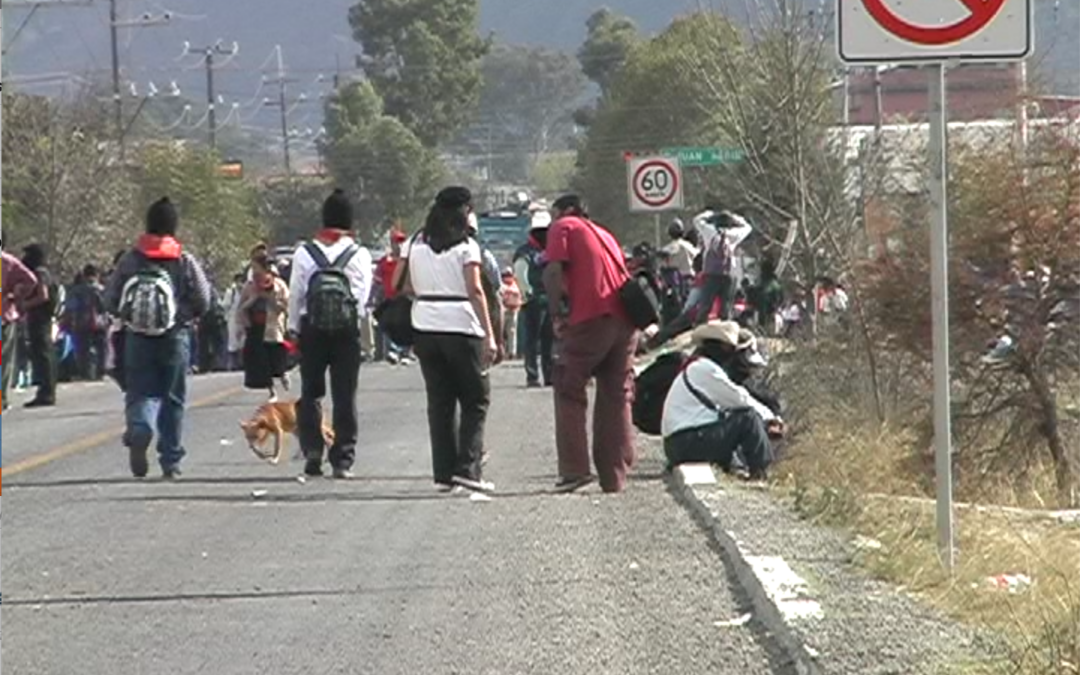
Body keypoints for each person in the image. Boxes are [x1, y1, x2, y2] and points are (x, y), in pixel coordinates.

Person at [393, 186, 498, 493]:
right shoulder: (467, 247)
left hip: (424, 324)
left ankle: (443, 474)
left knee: (439, 402)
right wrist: (490, 334)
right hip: (462, 325)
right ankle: (468, 468)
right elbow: (476, 290)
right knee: (475, 399)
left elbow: (404, 285)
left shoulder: (415, 243)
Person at [105, 197, 212, 479]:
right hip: (175, 336)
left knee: (140, 390)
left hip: (137, 338)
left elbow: (110, 299)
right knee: (173, 397)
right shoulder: (183, 259)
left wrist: (131, 316)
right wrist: (181, 315)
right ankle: (171, 461)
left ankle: (140, 427)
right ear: (173, 226)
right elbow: (204, 299)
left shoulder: (130, 259)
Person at [543, 194, 638, 494]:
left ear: (562, 211)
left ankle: (574, 469)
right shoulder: (604, 233)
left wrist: (556, 311)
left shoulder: (563, 227)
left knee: (568, 384)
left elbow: (554, 270)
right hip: (625, 320)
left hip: (592, 315)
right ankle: (614, 476)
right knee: (616, 393)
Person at [287, 189, 373, 479]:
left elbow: (296, 294)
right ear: (349, 222)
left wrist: (293, 329)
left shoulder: (303, 252)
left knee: (311, 392)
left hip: (312, 328)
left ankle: (313, 451)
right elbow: (362, 298)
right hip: (346, 331)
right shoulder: (359, 254)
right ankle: (343, 459)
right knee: (345, 395)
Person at [661, 321, 784, 480]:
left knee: (732, 420)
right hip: (685, 443)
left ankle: (739, 467)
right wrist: (771, 418)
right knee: (748, 419)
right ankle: (761, 473)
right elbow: (739, 398)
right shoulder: (705, 369)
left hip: (678, 444)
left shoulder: (697, 367)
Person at [238, 253, 291, 401]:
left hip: (273, 327)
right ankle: (272, 391)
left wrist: (270, 298)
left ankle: (283, 373)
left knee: (277, 357)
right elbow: (241, 308)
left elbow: (285, 306)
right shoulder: (249, 286)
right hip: (256, 327)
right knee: (262, 361)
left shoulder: (279, 284)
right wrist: (253, 299)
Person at [513, 210, 554, 387]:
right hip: (533, 301)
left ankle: (549, 375)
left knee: (549, 340)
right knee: (532, 340)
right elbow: (520, 275)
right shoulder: (525, 252)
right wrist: (528, 293)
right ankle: (532, 375)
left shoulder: (552, 250)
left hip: (551, 299)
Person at [693, 208, 753, 324]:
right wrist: (736, 218)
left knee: (705, 306)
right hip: (728, 275)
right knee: (725, 308)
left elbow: (696, 220)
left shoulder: (709, 231)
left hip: (710, 274)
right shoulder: (733, 235)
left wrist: (709, 214)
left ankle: (700, 328)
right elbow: (748, 228)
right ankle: (725, 330)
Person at [20, 244, 60, 408]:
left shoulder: (40, 272)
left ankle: (46, 393)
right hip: (42, 318)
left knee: (43, 354)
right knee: (44, 353)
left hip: (40, 318)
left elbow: (42, 296)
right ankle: (46, 391)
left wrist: (26, 304)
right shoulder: (45, 272)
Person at [2, 245, 41, 411]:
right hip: (4, 314)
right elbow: (30, 280)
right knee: (4, 360)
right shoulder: (8, 262)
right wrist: (16, 294)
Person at [375, 229, 414, 365]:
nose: (399, 245)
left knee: (407, 324)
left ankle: (406, 353)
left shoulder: (409, 261)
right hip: (389, 298)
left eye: (401, 242)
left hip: (406, 298)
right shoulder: (385, 261)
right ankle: (392, 351)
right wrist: (374, 298)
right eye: (396, 242)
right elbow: (377, 281)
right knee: (388, 324)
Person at [64, 264, 108, 381]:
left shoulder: (76, 290)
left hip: (81, 322)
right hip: (100, 323)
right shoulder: (102, 289)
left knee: (83, 350)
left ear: (84, 275)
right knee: (101, 349)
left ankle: (85, 373)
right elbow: (106, 306)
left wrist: (67, 321)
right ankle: (100, 372)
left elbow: (70, 306)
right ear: (96, 274)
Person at [222, 273, 246, 370]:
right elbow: (225, 305)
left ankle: (242, 363)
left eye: (242, 281)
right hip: (232, 319)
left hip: (244, 319)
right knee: (233, 342)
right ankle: (232, 364)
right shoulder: (230, 292)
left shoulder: (245, 291)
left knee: (243, 341)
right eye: (238, 281)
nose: (240, 283)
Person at [499, 268, 523, 360]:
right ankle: (512, 352)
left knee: (504, 332)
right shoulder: (515, 284)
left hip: (506, 310)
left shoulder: (502, 285)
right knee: (511, 332)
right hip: (513, 309)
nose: (507, 277)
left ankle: (508, 352)